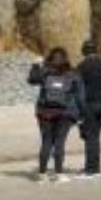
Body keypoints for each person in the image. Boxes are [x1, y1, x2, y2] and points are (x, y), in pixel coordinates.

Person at [26, 48, 85, 182]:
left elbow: (31, 80)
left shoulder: (45, 72)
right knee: (60, 142)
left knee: (46, 141)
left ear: (50, 59)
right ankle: (59, 174)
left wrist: (35, 64)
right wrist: (82, 114)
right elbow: (80, 96)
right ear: (65, 59)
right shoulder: (73, 73)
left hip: (44, 112)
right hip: (65, 113)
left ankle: (42, 174)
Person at [76, 39, 101, 178]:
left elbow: (78, 89)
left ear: (84, 51)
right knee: (95, 137)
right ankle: (94, 168)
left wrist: (78, 110)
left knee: (90, 137)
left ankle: (91, 170)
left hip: (89, 104)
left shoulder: (82, 66)